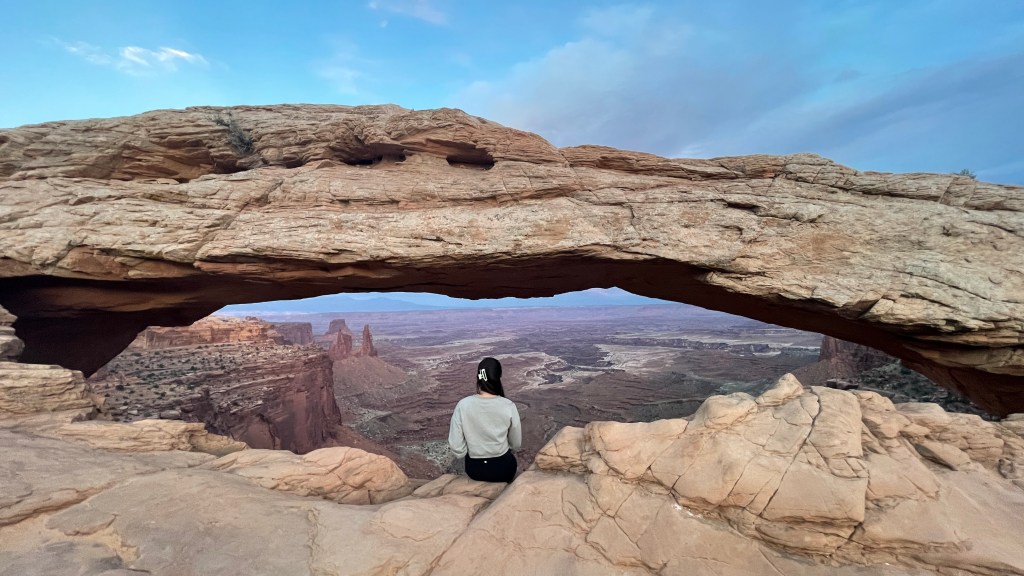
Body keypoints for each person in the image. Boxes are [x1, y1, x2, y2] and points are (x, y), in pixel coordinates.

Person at [448, 357, 522, 483]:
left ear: (478, 378)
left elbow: (456, 446)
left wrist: (471, 453)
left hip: (475, 470)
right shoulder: (508, 405)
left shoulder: (463, 405)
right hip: (503, 469)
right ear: (498, 377)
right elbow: (516, 443)